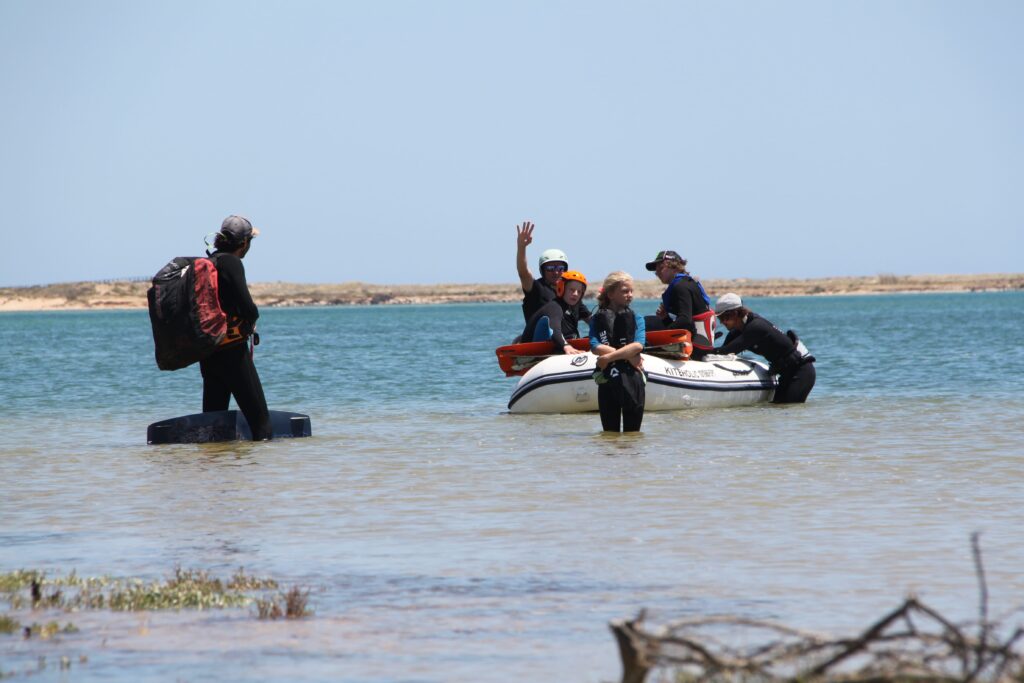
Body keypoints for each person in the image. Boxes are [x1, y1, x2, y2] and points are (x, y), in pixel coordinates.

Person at [199, 215, 272, 440]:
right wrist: (252, 317)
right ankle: (260, 471)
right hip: (232, 351)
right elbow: (247, 306)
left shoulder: (209, 263)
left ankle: (215, 470)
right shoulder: (232, 263)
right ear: (244, 243)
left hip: (209, 352)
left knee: (213, 421)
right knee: (260, 422)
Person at [712, 292, 816, 404]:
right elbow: (721, 354)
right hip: (785, 373)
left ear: (736, 313)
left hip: (801, 371)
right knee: (778, 409)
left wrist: (702, 350)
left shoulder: (756, 327)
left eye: (725, 317)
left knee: (786, 409)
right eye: (720, 319)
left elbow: (726, 351)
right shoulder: (736, 332)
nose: (722, 322)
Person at [590, 272, 647, 432]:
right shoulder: (597, 319)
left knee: (633, 437)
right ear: (610, 294)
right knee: (609, 437)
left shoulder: (637, 318)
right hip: (607, 382)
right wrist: (629, 356)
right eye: (624, 291)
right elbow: (595, 346)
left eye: (631, 291)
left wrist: (609, 357)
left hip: (633, 379)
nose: (630, 295)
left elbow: (638, 346)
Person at [516, 220, 591, 326]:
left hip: (568, 340)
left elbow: (591, 321)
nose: (556, 272)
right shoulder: (537, 289)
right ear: (542, 270)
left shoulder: (571, 293)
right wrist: (521, 247)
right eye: (550, 268)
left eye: (560, 268)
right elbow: (523, 273)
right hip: (542, 340)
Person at [644, 250, 716, 360]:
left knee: (645, 322)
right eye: (655, 271)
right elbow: (687, 320)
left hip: (694, 347)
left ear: (673, 266)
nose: (657, 273)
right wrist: (665, 318)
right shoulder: (687, 282)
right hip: (701, 345)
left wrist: (666, 330)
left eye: (660, 268)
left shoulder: (680, 286)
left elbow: (685, 320)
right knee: (651, 321)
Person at [519, 271, 589, 355]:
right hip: (533, 353)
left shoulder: (575, 306)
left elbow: (593, 322)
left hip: (559, 346)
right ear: (562, 288)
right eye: (572, 290)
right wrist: (566, 346)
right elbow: (554, 330)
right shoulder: (554, 307)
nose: (575, 294)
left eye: (579, 292)